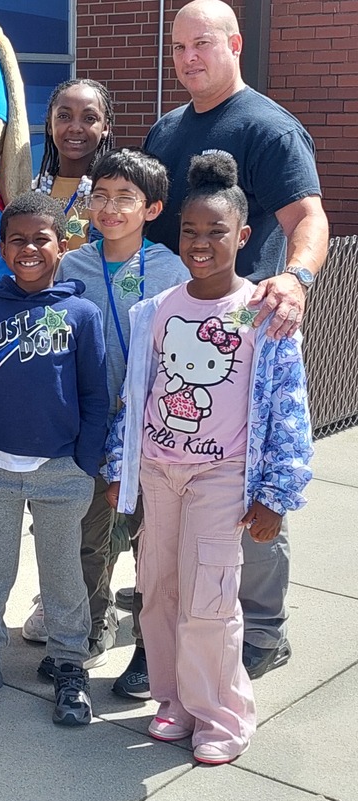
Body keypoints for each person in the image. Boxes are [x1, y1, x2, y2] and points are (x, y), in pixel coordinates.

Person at [130, 0, 329, 689]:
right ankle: (177, 618)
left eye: (202, 44)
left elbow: (310, 216)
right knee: (182, 488)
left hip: (246, 337)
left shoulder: (270, 129)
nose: (188, 58)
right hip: (176, 330)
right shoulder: (166, 129)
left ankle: (264, 632)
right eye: (179, 47)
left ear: (234, 44)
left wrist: (297, 280)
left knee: (248, 488)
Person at [104, 152, 312, 765]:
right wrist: (124, 470)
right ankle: (175, 699)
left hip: (221, 473)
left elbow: (287, 406)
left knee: (210, 596)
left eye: (215, 232)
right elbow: (137, 394)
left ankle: (222, 713)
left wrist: (275, 493)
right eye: (190, 231)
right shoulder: (156, 310)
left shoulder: (260, 311)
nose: (200, 243)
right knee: (159, 588)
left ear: (242, 236)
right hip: (158, 472)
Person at [0, 190, 108, 726]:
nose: (29, 248)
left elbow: (95, 394)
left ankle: (68, 662)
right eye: (17, 240)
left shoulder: (81, 312)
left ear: (62, 246)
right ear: (4, 248)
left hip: (61, 470)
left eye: (41, 238)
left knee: (63, 574)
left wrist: (85, 461)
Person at [22, 149, 189, 681]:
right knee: (85, 534)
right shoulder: (73, 263)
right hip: (89, 426)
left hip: (151, 427)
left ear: (153, 208)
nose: (110, 208)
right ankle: (92, 626)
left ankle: (149, 646)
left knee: (151, 541)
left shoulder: (169, 268)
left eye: (126, 199)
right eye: (101, 197)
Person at [34, 79, 115, 249]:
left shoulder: (116, 195)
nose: (75, 127)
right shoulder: (34, 191)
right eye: (64, 116)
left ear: (105, 127)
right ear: (50, 124)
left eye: (89, 118)